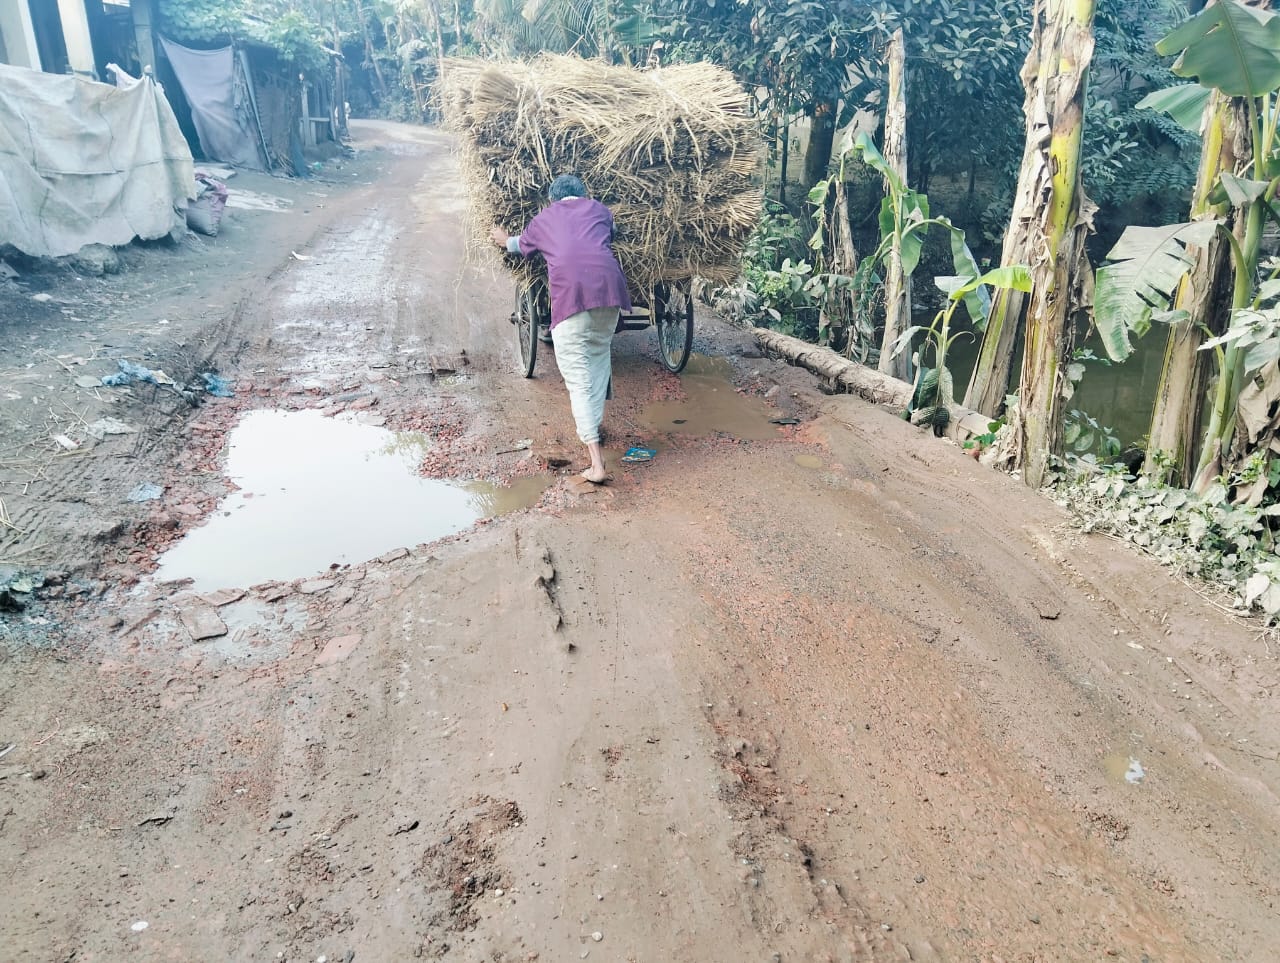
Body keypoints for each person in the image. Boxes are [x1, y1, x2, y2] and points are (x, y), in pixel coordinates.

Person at [490, 174, 631, 484]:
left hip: (572, 298)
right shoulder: (600, 210)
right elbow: (611, 233)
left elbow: (516, 246)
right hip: (610, 293)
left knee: (578, 379)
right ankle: (594, 427)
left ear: (553, 199)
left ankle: (597, 464)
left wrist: (502, 237)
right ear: (584, 194)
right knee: (598, 360)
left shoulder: (545, 218)